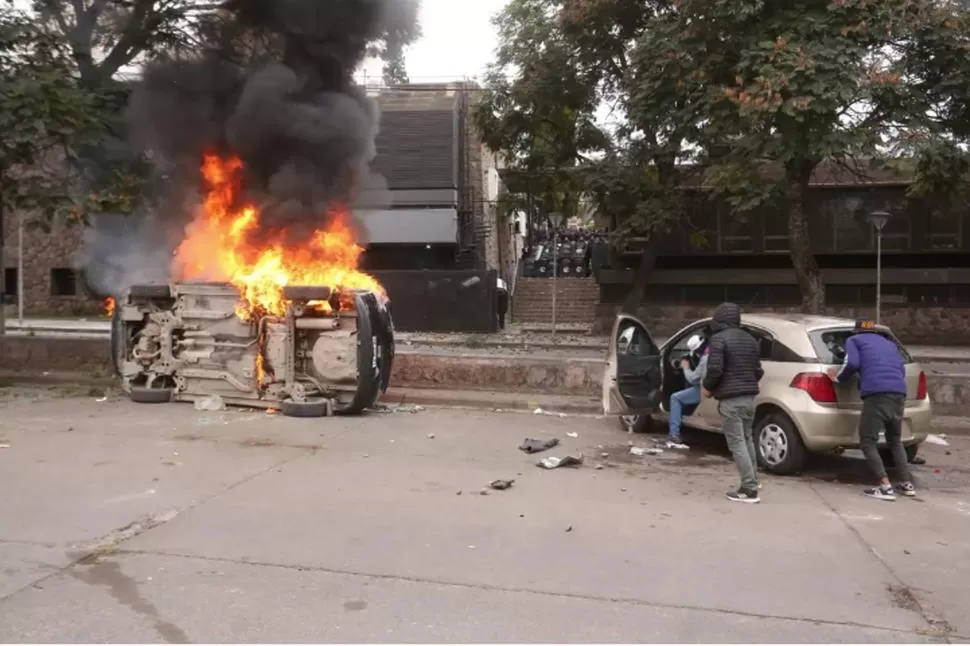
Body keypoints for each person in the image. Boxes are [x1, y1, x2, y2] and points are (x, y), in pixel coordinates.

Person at [827, 320, 914, 501]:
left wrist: (837, 379)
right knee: (895, 441)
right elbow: (900, 368)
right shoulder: (889, 344)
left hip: (877, 394)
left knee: (867, 441)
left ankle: (885, 487)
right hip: (899, 392)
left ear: (856, 332)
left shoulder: (854, 341)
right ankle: (906, 484)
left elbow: (852, 364)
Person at [702, 302, 764, 504]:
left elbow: (715, 370)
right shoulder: (750, 339)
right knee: (747, 440)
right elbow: (758, 371)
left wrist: (708, 387)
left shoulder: (718, 339)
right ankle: (754, 479)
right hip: (749, 399)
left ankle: (749, 489)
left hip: (731, 400)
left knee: (737, 444)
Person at [666, 334, 708, 450]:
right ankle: (685, 416)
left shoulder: (705, 358)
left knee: (675, 397)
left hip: (708, 389)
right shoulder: (713, 350)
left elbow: (693, 378)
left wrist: (685, 367)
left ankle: (674, 434)